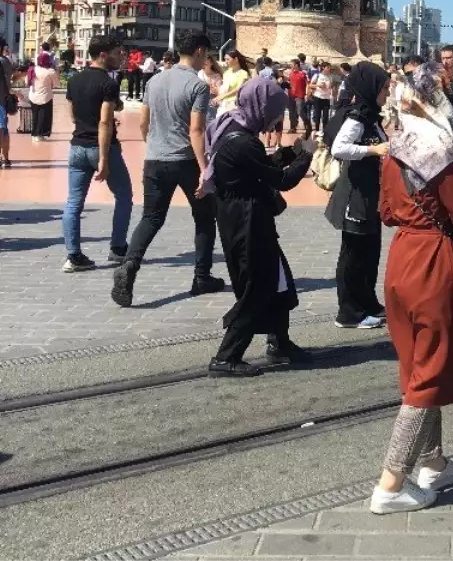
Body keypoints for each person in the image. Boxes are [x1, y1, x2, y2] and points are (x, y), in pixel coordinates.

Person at [370, 62, 453, 514]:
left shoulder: (396, 146)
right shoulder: (440, 148)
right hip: (433, 261)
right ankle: (391, 482)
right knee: (429, 370)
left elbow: (386, 212)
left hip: (401, 257)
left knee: (418, 361)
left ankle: (433, 461)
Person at [202, 77, 314, 376]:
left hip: (246, 216)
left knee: (278, 279)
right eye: (276, 112)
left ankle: (280, 343)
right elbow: (281, 180)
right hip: (245, 221)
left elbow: (260, 167)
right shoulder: (242, 142)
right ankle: (226, 356)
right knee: (259, 286)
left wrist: (289, 153)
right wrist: (306, 156)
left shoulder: (235, 127)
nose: (277, 118)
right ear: (261, 107)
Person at [111, 32, 225, 307]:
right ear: (199, 51)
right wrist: (205, 170)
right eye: (207, 54)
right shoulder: (197, 86)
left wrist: (153, 146)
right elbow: (196, 131)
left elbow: (143, 122)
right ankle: (201, 276)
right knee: (204, 217)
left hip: (155, 159)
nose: (207, 60)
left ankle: (129, 265)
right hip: (186, 160)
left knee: (151, 218)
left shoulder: (155, 80)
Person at [325, 61, 390, 329]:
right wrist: (373, 151)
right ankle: (348, 313)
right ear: (370, 87)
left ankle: (367, 302)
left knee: (369, 252)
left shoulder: (370, 115)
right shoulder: (357, 117)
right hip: (355, 197)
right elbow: (339, 148)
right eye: (384, 89)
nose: (386, 93)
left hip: (369, 194)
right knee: (353, 255)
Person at [63, 34, 133, 272]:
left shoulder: (74, 80)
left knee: (74, 202)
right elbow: (104, 123)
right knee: (124, 195)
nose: (120, 56)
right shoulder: (108, 83)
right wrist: (103, 159)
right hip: (102, 148)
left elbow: (72, 116)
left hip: (77, 147)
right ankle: (118, 247)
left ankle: (73, 256)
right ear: (103, 55)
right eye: (116, 53)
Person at [28, 51, 59, 142]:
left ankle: (34, 134)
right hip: (45, 97)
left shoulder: (32, 70)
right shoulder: (50, 72)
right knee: (43, 116)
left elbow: (28, 81)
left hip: (33, 96)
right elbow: (56, 84)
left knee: (35, 115)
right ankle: (40, 134)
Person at [217, 50, 251, 116]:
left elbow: (238, 89)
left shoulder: (243, 74)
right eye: (225, 59)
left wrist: (222, 96)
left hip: (234, 104)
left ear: (236, 59)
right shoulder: (226, 73)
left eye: (228, 59)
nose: (226, 62)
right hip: (223, 103)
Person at [286, 58, 310, 137]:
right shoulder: (290, 73)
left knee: (300, 111)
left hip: (300, 96)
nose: (290, 66)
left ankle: (307, 124)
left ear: (296, 65)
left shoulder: (303, 73)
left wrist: (306, 94)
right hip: (291, 96)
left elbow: (307, 84)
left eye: (292, 64)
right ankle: (293, 127)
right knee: (292, 112)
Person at [310, 61, 335, 136]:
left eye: (329, 67)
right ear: (323, 68)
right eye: (327, 67)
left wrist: (332, 89)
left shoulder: (331, 77)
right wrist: (318, 85)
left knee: (326, 116)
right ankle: (317, 130)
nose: (329, 69)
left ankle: (324, 130)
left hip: (326, 98)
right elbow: (310, 85)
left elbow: (332, 86)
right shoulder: (317, 75)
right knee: (317, 114)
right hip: (318, 97)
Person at [199, 52, 223, 122]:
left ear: (211, 64)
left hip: (212, 99)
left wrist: (211, 87)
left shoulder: (216, 76)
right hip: (201, 98)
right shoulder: (200, 73)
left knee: (210, 119)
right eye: (202, 64)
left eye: (205, 64)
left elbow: (219, 91)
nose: (203, 66)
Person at [0, 37, 13, 168]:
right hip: (2, 101)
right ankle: (6, 158)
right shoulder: (5, 62)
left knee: (2, 129)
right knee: (4, 130)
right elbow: (9, 80)